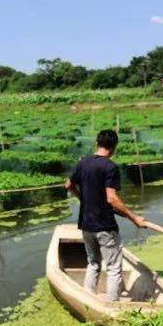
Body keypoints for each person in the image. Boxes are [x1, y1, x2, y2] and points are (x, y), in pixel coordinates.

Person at [64, 129, 147, 301]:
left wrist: (83, 198)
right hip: (104, 227)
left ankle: (87, 299)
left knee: (93, 263)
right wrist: (134, 218)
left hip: (86, 225)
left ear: (97, 143)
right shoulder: (110, 167)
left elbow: (68, 184)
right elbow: (112, 198)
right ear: (114, 147)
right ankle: (112, 304)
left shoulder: (83, 162)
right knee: (114, 268)